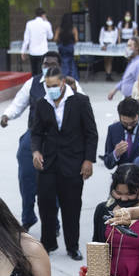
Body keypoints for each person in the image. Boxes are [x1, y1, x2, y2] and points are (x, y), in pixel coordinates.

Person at [31, 67, 98, 261]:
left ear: (62, 83)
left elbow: (91, 133)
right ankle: (48, 243)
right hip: (48, 164)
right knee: (45, 205)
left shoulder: (80, 101)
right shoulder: (42, 103)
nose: (51, 89)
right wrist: (36, 151)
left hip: (73, 163)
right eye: (48, 85)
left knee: (72, 207)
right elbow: (36, 132)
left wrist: (88, 160)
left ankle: (72, 246)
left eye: (54, 85)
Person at [0, 50, 66, 231]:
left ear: (60, 67)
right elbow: (18, 103)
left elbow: (82, 104)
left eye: (53, 64)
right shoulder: (33, 83)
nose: (48, 67)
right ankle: (28, 218)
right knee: (26, 175)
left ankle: (53, 220)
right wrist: (7, 115)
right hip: (34, 135)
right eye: (45, 64)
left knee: (54, 182)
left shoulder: (68, 84)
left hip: (57, 139)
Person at [102, 98, 139, 170]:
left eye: (133, 122)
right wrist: (115, 154)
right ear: (119, 117)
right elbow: (108, 163)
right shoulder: (113, 129)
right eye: (125, 123)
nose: (129, 127)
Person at [108, 37, 139, 102]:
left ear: (137, 47)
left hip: (133, 99)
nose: (127, 48)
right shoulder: (132, 62)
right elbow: (125, 80)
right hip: (127, 98)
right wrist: (114, 90)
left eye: (129, 46)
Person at [20, 7, 54, 77]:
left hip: (32, 51)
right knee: (42, 71)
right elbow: (50, 37)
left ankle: (34, 85)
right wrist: (47, 21)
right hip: (43, 51)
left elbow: (26, 39)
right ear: (43, 15)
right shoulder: (46, 24)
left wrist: (23, 51)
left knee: (34, 71)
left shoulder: (29, 24)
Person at [54, 11, 78, 80]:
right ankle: (72, 77)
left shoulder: (59, 29)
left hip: (61, 46)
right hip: (70, 47)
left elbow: (55, 38)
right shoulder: (73, 29)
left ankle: (62, 76)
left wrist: (59, 41)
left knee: (62, 62)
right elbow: (76, 39)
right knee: (71, 62)